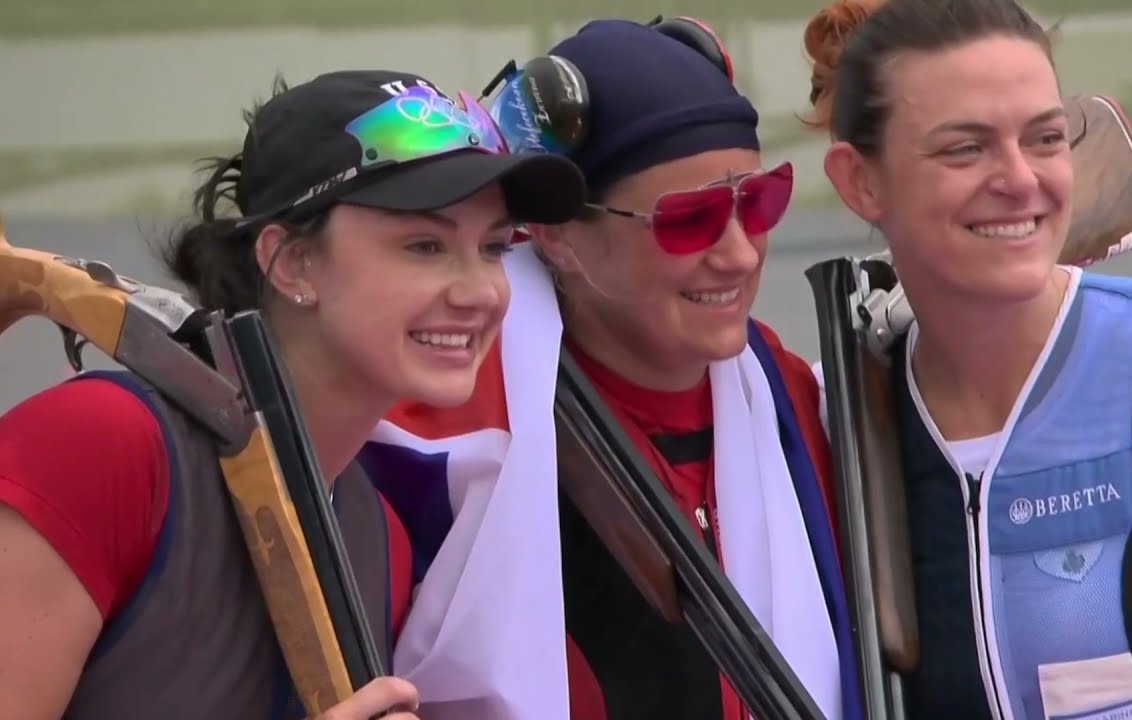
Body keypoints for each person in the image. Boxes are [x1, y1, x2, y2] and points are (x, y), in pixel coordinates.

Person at [0, 69, 586, 720]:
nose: (481, 292)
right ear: (292, 263)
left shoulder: (373, 532)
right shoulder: (97, 444)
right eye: (425, 245)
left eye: (494, 247)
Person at [360, 17, 861, 720]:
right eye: (689, 218)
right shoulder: (437, 430)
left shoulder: (794, 396)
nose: (742, 254)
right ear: (556, 235)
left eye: (760, 201)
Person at [803, 0, 1132, 718]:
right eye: (965, 148)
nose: (1021, 179)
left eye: (1046, 138)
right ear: (860, 181)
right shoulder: (836, 417)